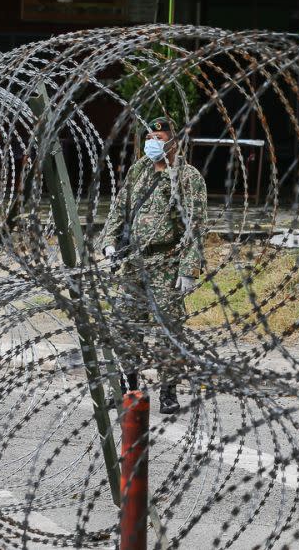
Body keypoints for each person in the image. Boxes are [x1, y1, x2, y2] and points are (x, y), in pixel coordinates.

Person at [101, 116, 208, 414]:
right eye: (149, 137)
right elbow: (118, 209)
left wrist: (189, 268)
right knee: (125, 327)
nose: (152, 143)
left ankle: (169, 393)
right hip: (134, 263)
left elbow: (196, 226)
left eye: (159, 138)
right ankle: (128, 388)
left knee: (167, 333)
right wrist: (110, 242)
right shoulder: (139, 171)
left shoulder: (187, 177)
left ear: (173, 141)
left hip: (167, 262)